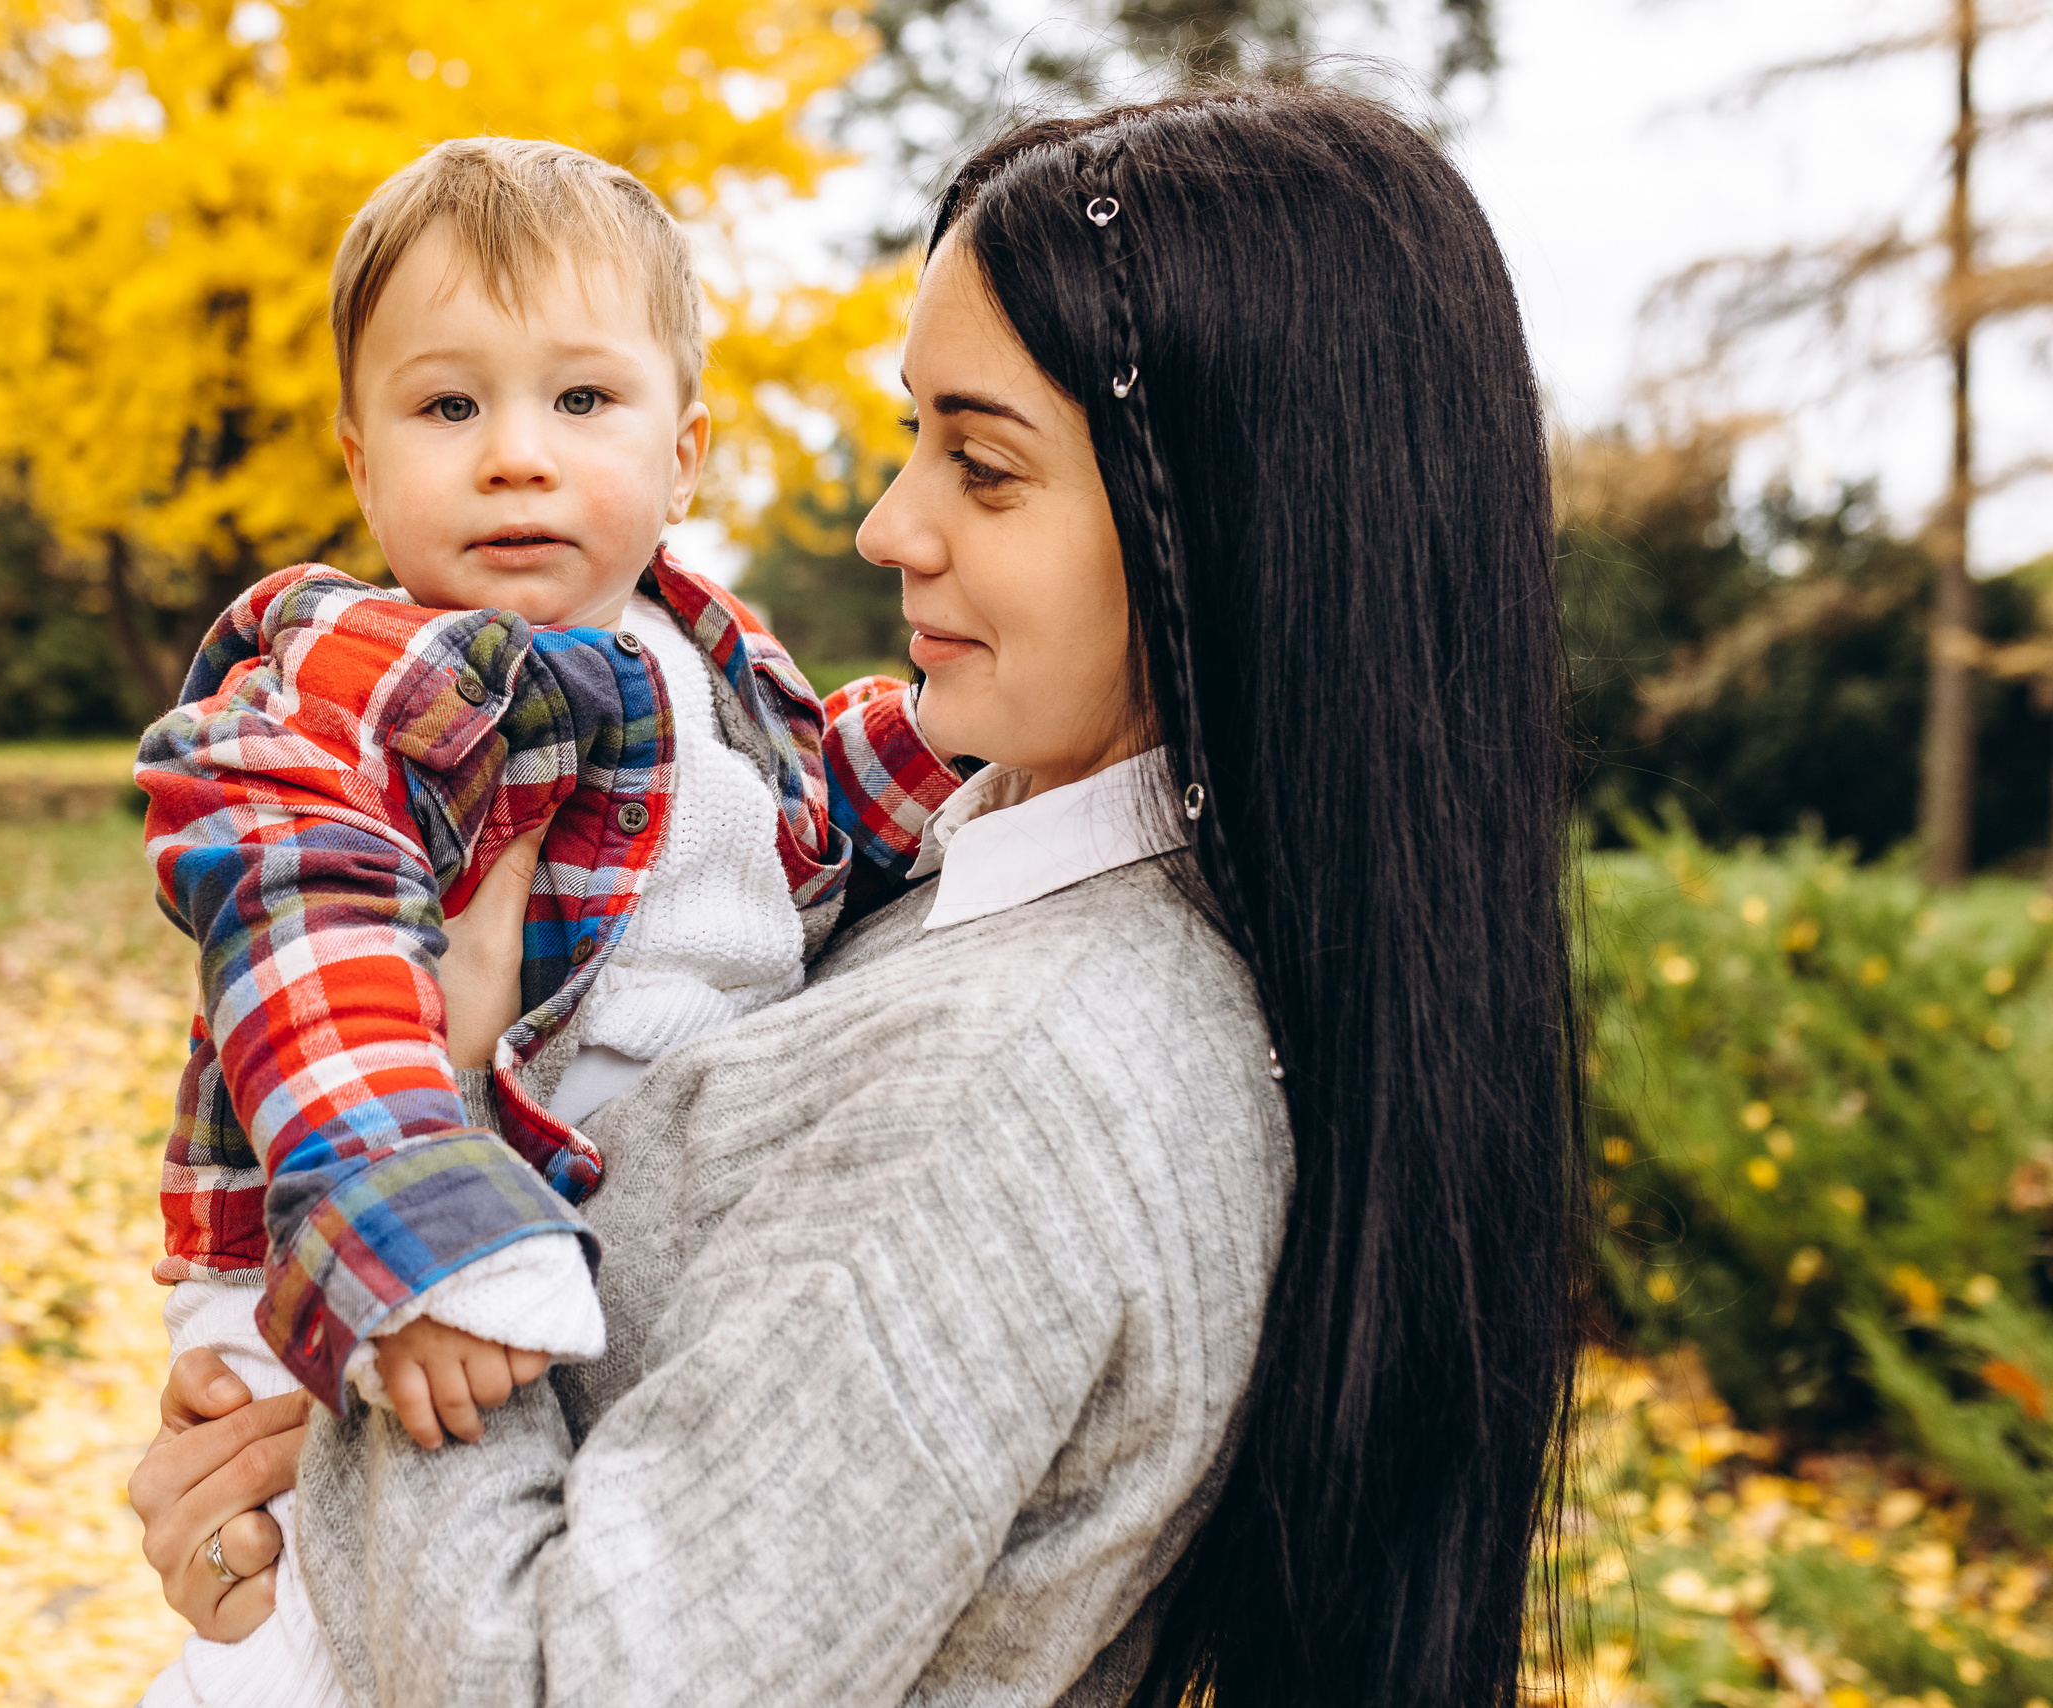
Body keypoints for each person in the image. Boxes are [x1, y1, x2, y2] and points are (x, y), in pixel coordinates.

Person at [131, 83, 1584, 1708]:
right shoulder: (985, 868)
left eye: (983, 464)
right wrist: (281, 1488)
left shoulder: (1019, 1080)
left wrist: (424, 1190)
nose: (892, 524)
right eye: (913, 438)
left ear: (1232, 516)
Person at [133, 137, 954, 1706]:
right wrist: (428, 1237)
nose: (515, 454)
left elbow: (821, 823)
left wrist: (968, 744)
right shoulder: (368, 671)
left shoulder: (718, 674)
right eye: (449, 406)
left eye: (581, 401)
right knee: (307, 1655)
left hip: (579, 1265)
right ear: (362, 465)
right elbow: (303, 916)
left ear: (686, 449)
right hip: (367, 1230)